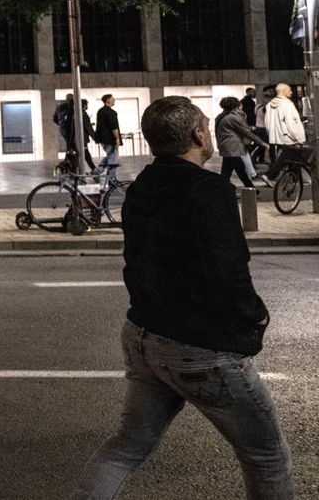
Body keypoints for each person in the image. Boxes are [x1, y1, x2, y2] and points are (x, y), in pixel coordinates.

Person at [71, 96, 291, 499]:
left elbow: (135, 261)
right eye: (205, 125)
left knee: (125, 448)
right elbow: (229, 268)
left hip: (144, 334)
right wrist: (255, 317)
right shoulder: (209, 190)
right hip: (200, 349)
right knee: (266, 456)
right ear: (198, 133)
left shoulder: (141, 188)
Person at [215, 96, 269, 190]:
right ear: (236, 106)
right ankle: (222, 190)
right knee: (228, 172)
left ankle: (251, 188)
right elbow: (245, 132)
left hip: (228, 147)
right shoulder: (231, 118)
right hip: (232, 148)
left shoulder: (221, 116)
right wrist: (261, 143)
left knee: (238, 170)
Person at [264, 83, 307, 181]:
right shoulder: (287, 104)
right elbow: (292, 123)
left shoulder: (269, 105)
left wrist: (271, 135)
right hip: (289, 136)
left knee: (292, 158)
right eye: (290, 90)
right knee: (288, 156)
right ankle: (270, 175)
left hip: (277, 137)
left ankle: (296, 180)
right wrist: (299, 138)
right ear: (284, 91)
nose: (291, 92)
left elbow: (267, 123)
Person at [95, 95, 123, 182]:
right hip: (110, 139)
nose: (114, 100)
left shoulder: (100, 111)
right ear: (108, 101)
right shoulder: (111, 113)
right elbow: (113, 127)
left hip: (103, 139)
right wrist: (117, 139)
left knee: (110, 156)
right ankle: (112, 179)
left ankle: (97, 171)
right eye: (112, 99)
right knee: (113, 159)